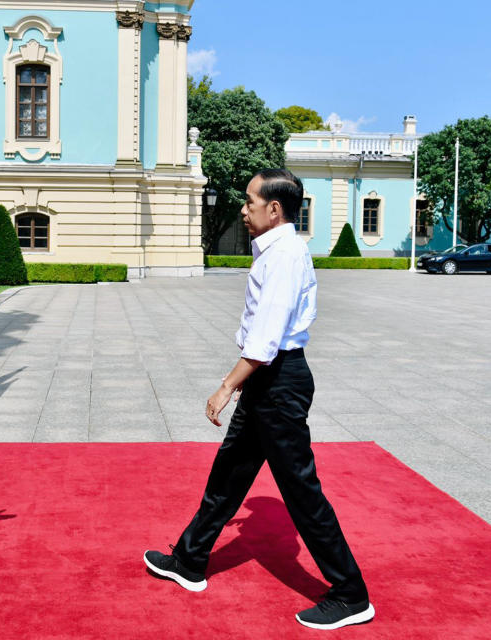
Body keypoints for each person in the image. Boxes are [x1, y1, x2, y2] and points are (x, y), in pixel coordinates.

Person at [143, 169, 374, 631]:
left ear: (275, 208)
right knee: (230, 471)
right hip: (268, 380)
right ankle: (189, 560)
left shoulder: (285, 255)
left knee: (302, 492)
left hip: (278, 381)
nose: (242, 209)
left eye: (250, 201)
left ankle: (351, 594)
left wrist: (227, 386)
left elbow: (266, 338)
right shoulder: (273, 249)